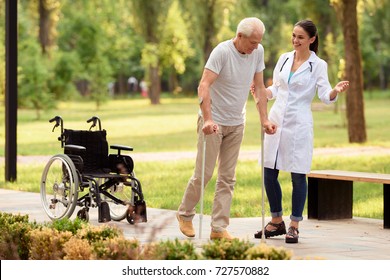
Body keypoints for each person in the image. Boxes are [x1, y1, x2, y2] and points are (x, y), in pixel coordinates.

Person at [176, 17, 276, 240]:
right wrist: (208, 119)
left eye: (259, 42)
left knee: (228, 178)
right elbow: (204, 84)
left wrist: (264, 120)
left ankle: (218, 228)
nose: (256, 47)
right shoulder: (221, 52)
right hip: (214, 122)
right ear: (239, 36)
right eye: (252, 42)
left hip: (237, 122)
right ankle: (185, 213)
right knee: (204, 174)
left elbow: (259, 88)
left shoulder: (257, 52)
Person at [253, 19, 349, 243]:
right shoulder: (284, 58)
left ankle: (294, 225)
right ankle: (276, 221)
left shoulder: (318, 65)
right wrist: (261, 92)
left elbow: (325, 96)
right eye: (294, 36)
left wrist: (335, 90)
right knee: (269, 171)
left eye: (300, 37)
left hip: (299, 124)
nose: (295, 40)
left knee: (298, 174)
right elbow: (275, 89)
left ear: (312, 40)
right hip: (276, 121)